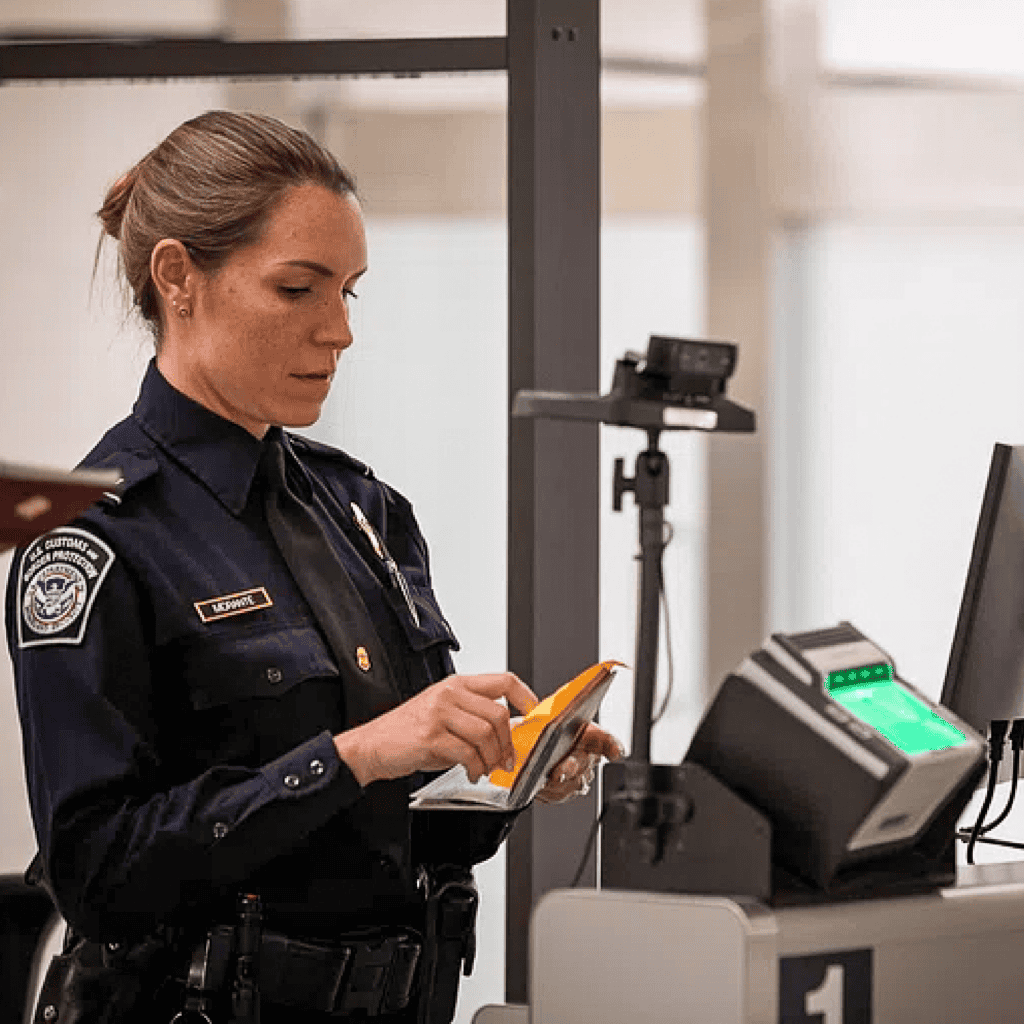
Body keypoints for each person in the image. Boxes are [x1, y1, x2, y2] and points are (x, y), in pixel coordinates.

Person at [6, 110, 621, 1024]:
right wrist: (355, 754)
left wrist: (506, 770)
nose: (339, 332)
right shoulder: (96, 541)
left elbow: (391, 837)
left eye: (350, 293)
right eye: (298, 289)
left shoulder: (364, 513)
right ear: (179, 277)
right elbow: (99, 875)